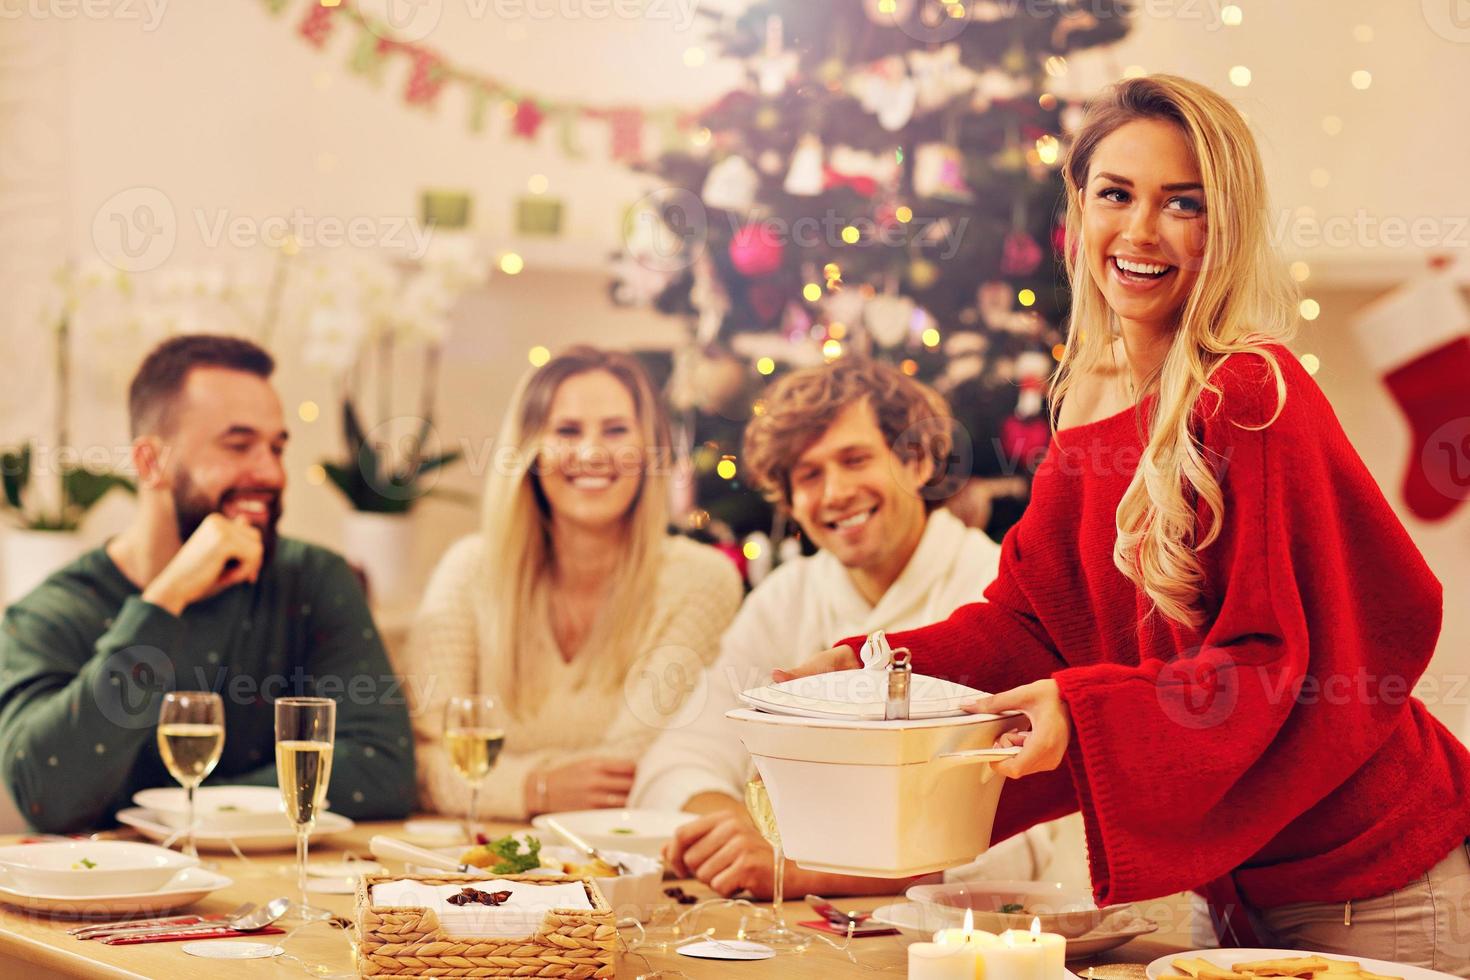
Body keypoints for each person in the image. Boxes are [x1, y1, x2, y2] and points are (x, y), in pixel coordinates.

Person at [780, 75, 1470, 973]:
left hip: (1374, 879)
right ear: (1079, 211)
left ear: (1222, 227)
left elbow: (1277, 661)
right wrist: (872, 672)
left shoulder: (1252, 393)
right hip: (1231, 883)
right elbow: (1032, 624)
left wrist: (1083, 710)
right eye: (1116, 195)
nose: (1140, 232)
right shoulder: (1090, 399)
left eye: (1182, 204)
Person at [634, 358, 1062, 899]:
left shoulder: (998, 592)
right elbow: (675, 760)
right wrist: (728, 830)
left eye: (855, 459)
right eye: (810, 475)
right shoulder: (784, 599)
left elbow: (1021, 841)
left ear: (917, 461)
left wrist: (799, 866)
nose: (834, 493)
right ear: (791, 501)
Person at [0, 334, 415, 833]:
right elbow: (46, 796)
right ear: (151, 463)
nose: (271, 472)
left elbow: (383, 770)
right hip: (118, 902)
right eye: (238, 445)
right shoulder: (50, 614)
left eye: (276, 447)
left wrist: (184, 810)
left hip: (276, 892)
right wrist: (163, 601)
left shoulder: (314, 581)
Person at [399, 346, 743, 821]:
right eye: (566, 431)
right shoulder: (468, 569)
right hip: (479, 866)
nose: (591, 453)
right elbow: (417, 762)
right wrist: (533, 788)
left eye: (617, 431)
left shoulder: (702, 581)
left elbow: (633, 772)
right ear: (529, 451)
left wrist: (486, 784)